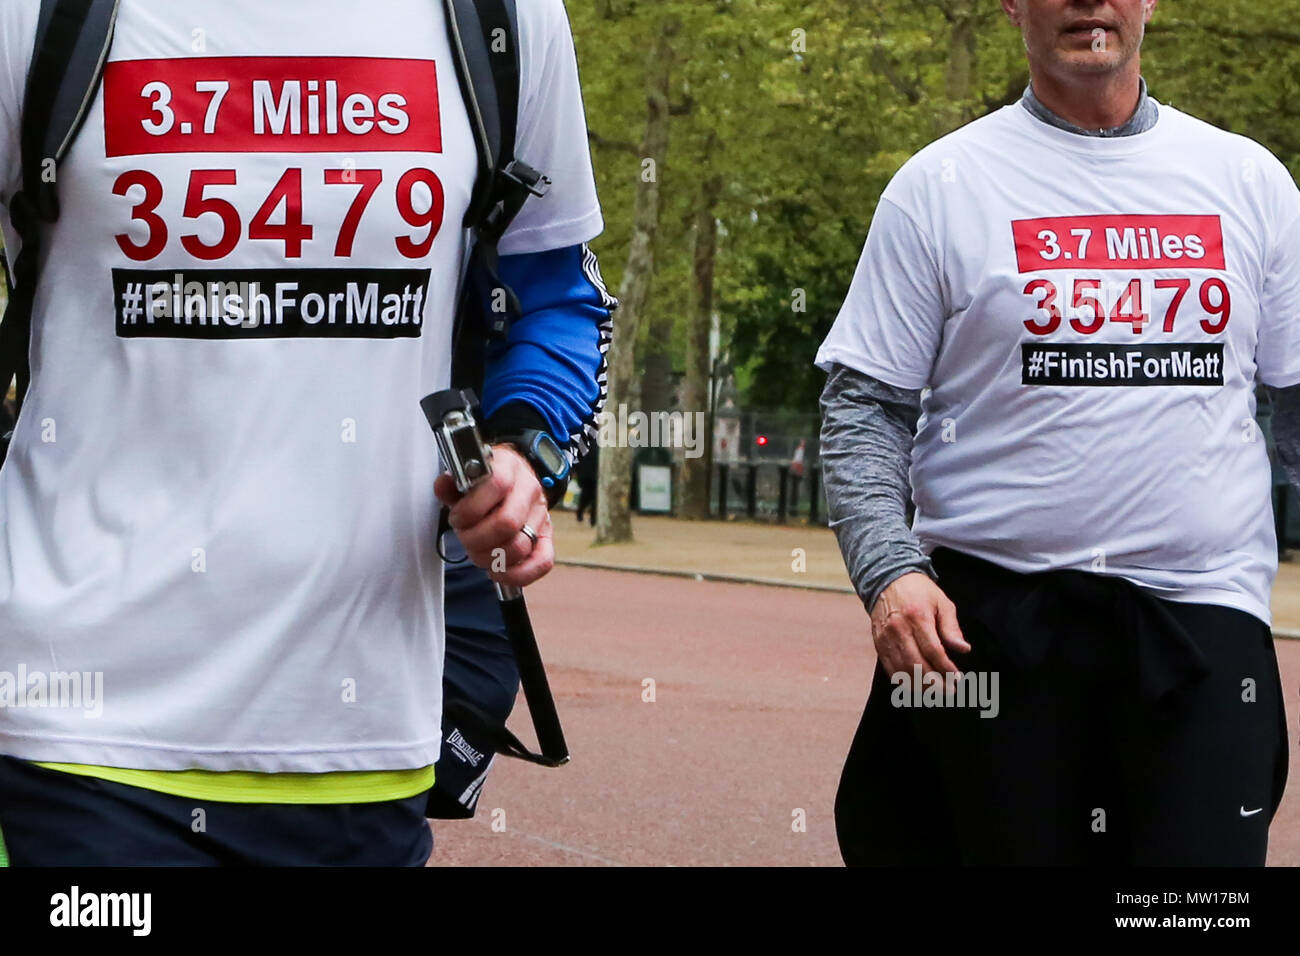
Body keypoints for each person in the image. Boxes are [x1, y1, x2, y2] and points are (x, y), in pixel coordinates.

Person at [0, 0, 615, 865]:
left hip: (363, 746)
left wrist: (521, 453)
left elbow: (556, 295)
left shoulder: (502, 15)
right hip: (70, 735)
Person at [817, 0, 1300, 866]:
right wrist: (889, 574)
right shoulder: (938, 185)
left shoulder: (1250, 180)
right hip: (986, 626)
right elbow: (865, 406)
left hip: (1201, 618)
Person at [574, 442, 598, 526]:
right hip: (586, 473)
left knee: (596, 497)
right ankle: (580, 511)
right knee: (586, 495)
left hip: (596, 473)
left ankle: (593, 518)